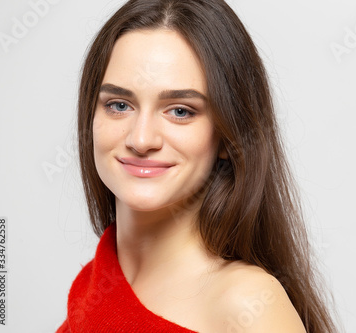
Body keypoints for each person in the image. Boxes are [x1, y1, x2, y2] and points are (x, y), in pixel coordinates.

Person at [56, 0, 338, 332]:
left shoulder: (247, 305)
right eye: (119, 105)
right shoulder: (92, 284)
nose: (141, 138)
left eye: (180, 111)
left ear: (226, 137)